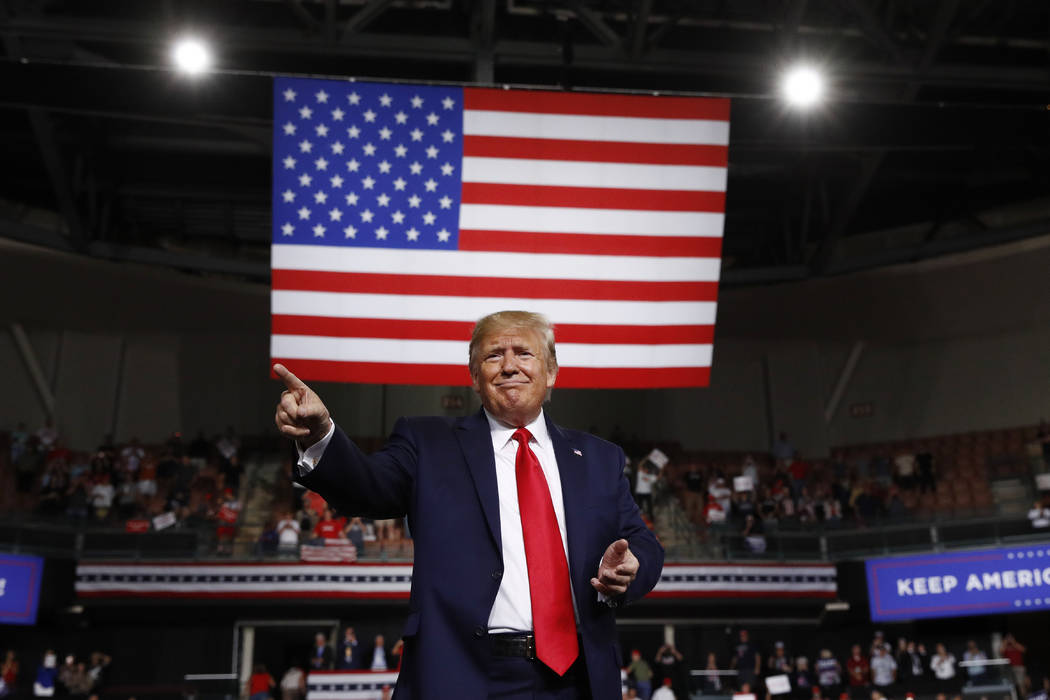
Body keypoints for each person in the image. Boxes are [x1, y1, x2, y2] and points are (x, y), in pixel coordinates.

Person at [274, 310, 664, 699]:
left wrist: (632, 567)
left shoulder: (599, 458)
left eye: (523, 354)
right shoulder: (426, 443)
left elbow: (641, 542)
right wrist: (321, 435)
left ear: (551, 372)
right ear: (475, 377)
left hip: (581, 680)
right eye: (493, 355)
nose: (509, 366)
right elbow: (366, 488)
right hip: (464, 675)